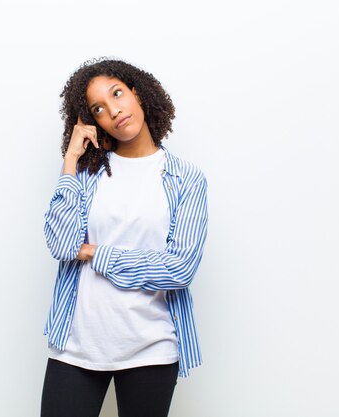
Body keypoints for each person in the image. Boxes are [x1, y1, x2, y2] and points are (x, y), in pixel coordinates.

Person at [40, 57, 209, 417]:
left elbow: (179, 269)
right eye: (99, 108)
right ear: (92, 121)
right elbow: (62, 244)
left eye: (117, 94)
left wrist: (97, 253)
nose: (113, 110)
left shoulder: (186, 180)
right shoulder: (88, 173)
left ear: (137, 92)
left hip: (150, 347)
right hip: (77, 346)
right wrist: (71, 159)